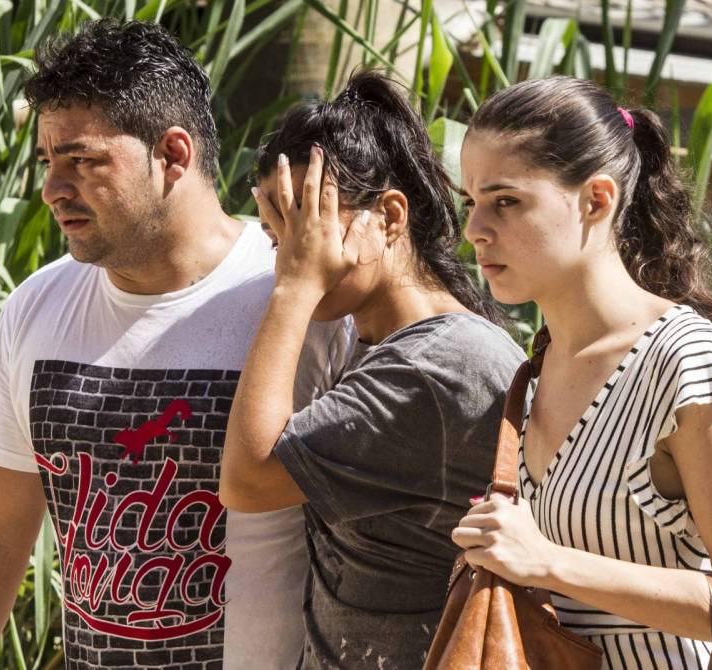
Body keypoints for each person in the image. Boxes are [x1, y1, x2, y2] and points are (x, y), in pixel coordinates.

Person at [0, 19, 348, 670]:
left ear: (173, 154)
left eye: (82, 160)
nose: (54, 189)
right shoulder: (39, 306)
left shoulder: (299, 300)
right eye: (48, 162)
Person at [449, 75, 712, 668]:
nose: (476, 229)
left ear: (596, 200)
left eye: (506, 201)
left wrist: (546, 560)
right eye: (471, 203)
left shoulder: (684, 362)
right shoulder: (536, 367)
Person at [217, 71, 525, 669]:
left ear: (388, 216)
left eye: (309, 223)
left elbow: (249, 479)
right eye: (277, 236)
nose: (292, 253)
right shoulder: (386, 347)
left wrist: (293, 289)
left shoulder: (438, 370)